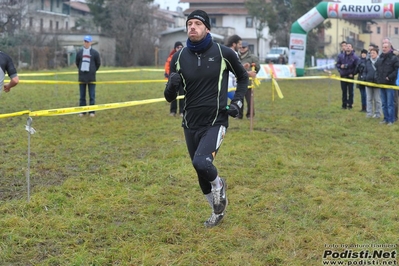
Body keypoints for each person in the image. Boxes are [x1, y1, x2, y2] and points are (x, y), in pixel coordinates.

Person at [164, 10, 248, 228]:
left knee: (202, 162)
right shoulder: (178, 57)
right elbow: (169, 97)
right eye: (189, 23)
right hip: (190, 122)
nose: (192, 27)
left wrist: (237, 101)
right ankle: (216, 211)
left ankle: (219, 184)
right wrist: (172, 85)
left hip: (216, 120)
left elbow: (243, 77)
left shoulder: (224, 53)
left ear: (207, 28)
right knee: (200, 172)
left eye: (197, 24)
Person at [76, 35, 101, 117]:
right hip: (82, 77)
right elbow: (77, 63)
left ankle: (91, 111)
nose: (86, 43)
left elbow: (98, 64)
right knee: (82, 96)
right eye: (85, 41)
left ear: (90, 43)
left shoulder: (95, 53)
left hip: (91, 77)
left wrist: (93, 70)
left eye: (88, 42)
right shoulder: (79, 53)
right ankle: (82, 111)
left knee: (92, 95)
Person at [375, 41, 399, 126]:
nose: (384, 49)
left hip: (390, 84)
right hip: (381, 84)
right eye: (383, 47)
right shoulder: (380, 58)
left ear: (389, 48)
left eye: (386, 47)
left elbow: (396, 71)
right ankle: (385, 118)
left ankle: (391, 120)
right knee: (384, 103)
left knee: (390, 103)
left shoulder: (394, 58)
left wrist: (389, 77)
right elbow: (377, 69)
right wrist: (378, 79)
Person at [239, 40, 260, 119]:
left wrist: (253, 72)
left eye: (243, 47)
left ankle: (250, 115)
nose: (241, 49)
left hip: (248, 81)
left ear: (247, 48)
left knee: (249, 99)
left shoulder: (252, 57)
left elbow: (257, 67)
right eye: (240, 47)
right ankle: (238, 114)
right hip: (238, 81)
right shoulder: (236, 56)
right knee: (239, 99)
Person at [336, 42, 359, 109]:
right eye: (347, 46)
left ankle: (350, 104)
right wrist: (341, 67)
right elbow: (337, 65)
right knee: (344, 91)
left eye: (349, 46)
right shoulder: (341, 56)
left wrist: (353, 73)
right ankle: (344, 105)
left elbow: (357, 67)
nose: (348, 47)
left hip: (350, 76)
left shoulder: (355, 57)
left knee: (351, 91)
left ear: (352, 48)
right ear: (345, 48)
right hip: (343, 76)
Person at [165, 41, 184, 117]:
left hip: (182, 80)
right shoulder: (171, 57)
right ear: (175, 48)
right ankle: (173, 111)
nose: (179, 49)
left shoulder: (185, 56)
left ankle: (182, 111)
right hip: (173, 80)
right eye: (178, 47)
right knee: (173, 96)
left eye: (181, 47)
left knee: (182, 96)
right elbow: (167, 68)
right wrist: (168, 78)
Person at [362, 48, 381, 118]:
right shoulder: (368, 62)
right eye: (371, 53)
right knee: (369, 99)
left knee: (377, 100)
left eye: (374, 53)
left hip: (377, 84)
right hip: (368, 83)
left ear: (377, 54)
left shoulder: (380, 62)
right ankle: (369, 113)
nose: (372, 54)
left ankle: (377, 114)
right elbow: (364, 71)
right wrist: (365, 77)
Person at [225, 34, 242, 100]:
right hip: (229, 83)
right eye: (239, 44)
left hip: (228, 81)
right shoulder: (232, 54)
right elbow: (235, 69)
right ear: (234, 44)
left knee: (225, 104)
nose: (241, 46)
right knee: (236, 101)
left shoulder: (226, 52)